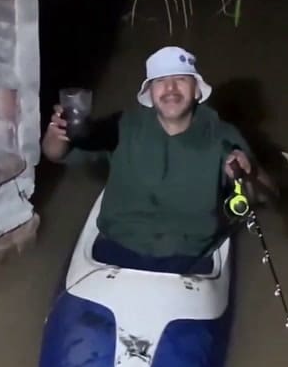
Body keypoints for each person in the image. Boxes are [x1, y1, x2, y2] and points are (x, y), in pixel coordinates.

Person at [41, 45, 253, 274]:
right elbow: (56, 154)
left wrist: (246, 176)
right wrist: (56, 134)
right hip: (117, 248)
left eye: (180, 79)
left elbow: (254, 196)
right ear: (150, 93)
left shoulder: (223, 136)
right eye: (160, 80)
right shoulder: (122, 125)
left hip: (189, 256)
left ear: (197, 91)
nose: (170, 88)